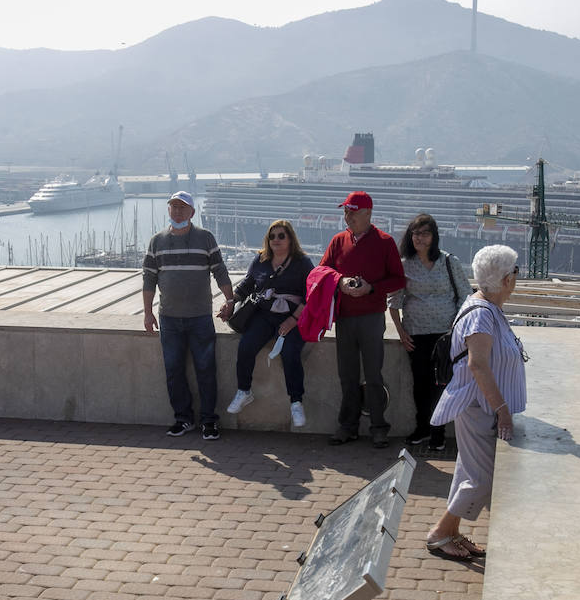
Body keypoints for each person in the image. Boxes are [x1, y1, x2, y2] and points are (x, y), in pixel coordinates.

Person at [425, 244, 527, 561]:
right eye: (516, 271)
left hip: (477, 406)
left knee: (469, 472)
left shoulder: (486, 306)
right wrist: (502, 411)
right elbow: (478, 365)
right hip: (478, 408)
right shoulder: (482, 315)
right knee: (482, 479)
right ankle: (440, 535)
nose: (517, 277)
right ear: (506, 279)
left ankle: (451, 532)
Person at [143, 191, 235, 440]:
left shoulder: (205, 238)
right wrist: (148, 312)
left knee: (206, 370)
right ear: (168, 210)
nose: (177, 211)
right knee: (173, 370)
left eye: (183, 208)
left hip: (200, 317)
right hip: (169, 318)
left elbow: (220, 272)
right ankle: (183, 419)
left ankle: (209, 421)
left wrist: (230, 300)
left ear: (192, 212)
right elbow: (149, 278)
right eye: (173, 207)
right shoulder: (156, 242)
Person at [320, 191, 406, 448]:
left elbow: (399, 279)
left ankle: (379, 427)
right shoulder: (338, 241)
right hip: (345, 318)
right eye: (346, 211)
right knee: (347, 375)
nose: (348, 217)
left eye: (353, 212)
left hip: (371, 317)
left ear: (368, 213)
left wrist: (371, 288)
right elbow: (322, 271)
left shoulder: (385, 241)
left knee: (373, 375)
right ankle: (348, 426)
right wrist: (340, 281)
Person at [388, 213, 472, 451]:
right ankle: (422, 427)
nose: (419, 238)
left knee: (442, 383)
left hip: (445, 335)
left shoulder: (448, 261)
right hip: (416, 333)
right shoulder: (404, 264)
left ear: (434, 237)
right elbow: (394, 300)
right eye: (415, 233)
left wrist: (456, 329)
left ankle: (438, 431)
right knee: (420, 383)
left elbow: (465, 295)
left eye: (424, 233)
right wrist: (401, 331)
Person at [219, 220, 314, 427]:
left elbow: (311, 295)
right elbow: (247, 285)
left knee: (290, 353)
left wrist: (293, 319)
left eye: (281, 236)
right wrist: (231, 302)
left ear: (290, 238)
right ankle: (244, 391)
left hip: (293, 315)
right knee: (245, 347)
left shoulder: (302, 262)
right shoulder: (261, 259)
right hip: (265, 313)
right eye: (272, 236)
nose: (276, 240)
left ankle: (296, 402)